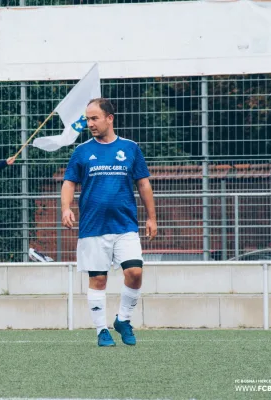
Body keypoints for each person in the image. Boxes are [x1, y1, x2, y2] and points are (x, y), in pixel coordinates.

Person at [61, 98, 157, 347]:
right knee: (98, 280)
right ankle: (101, 330)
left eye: (94, 118)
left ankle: (123, 320)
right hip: (93, 227)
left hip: (125, 225)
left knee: (135, 272)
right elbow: (69, 182)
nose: (90, 123)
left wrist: (151, 217)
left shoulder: (131, 148)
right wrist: (65, 208)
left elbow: (144, 183)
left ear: (109, 118)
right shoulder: (82, 151)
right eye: (88, 119)